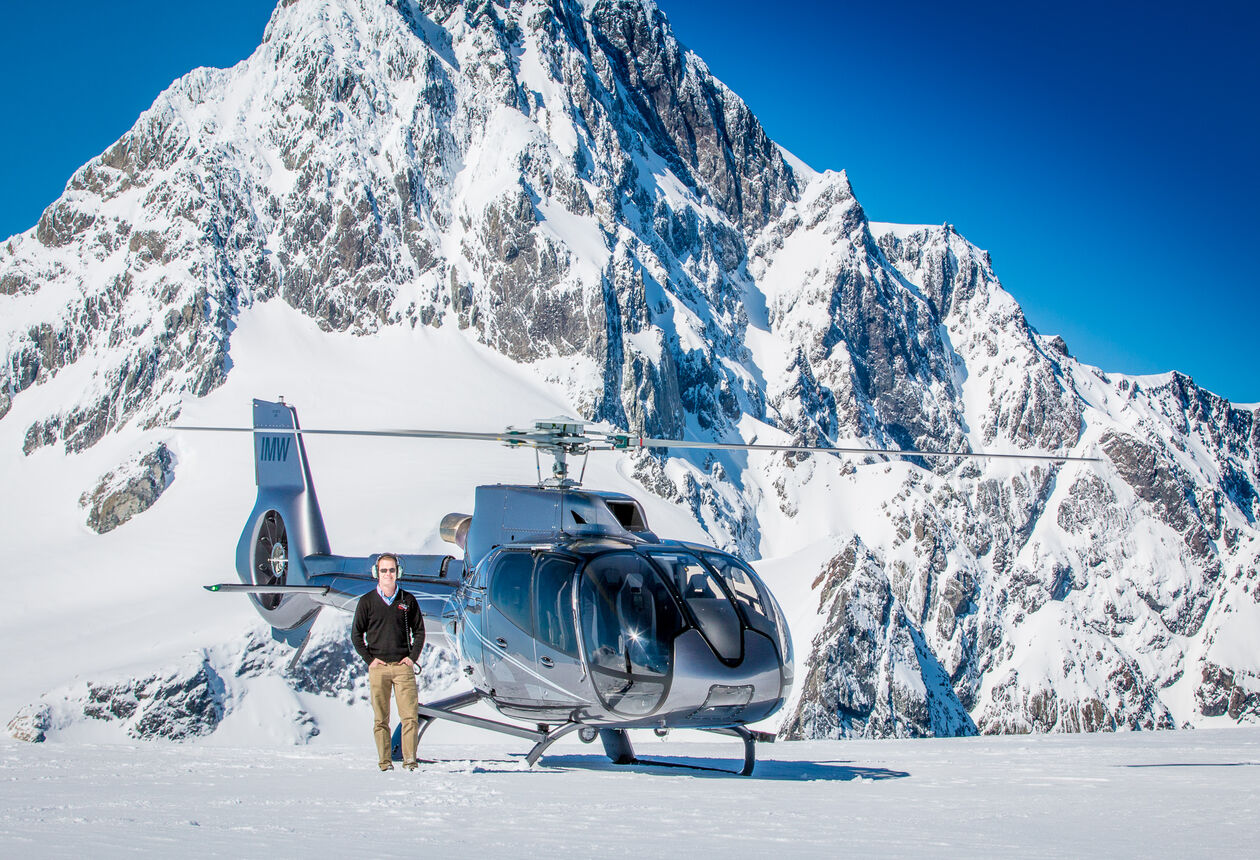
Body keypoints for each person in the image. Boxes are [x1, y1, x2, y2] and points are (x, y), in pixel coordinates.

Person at [351, 552, 425, 771]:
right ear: (377, 573)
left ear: (398, 572)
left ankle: (410, 761)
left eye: (392, 570)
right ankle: (384, 763)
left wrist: (412, 659)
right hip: (379, 668)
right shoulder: (367, 602)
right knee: (381, 719)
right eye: (384, 570)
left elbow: (419, 631)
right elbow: (356, 634)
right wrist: (369, 660)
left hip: (403, 668)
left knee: (410, 717)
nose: (388, 574)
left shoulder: (407, 600)